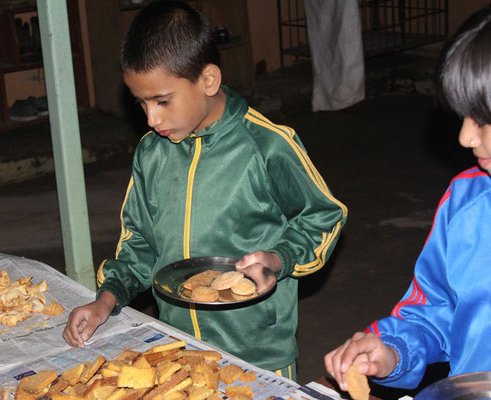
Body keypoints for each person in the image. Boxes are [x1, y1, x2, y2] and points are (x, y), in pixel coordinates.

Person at [63, 0, 347, 378]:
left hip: (259, 354)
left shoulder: (267, 146)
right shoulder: (152, 153)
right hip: (179, 349)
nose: (151, 118)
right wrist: (106, 299)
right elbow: (140, 243)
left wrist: (279, 259)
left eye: (163, 101)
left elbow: (324, 216)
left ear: (208, 81)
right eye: (142, 103)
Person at [324, 5, 491, 391]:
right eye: (463, 115)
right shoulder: (466, 202)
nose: (465, 137)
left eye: (483, 116)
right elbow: (435, 310)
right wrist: (392, 349)